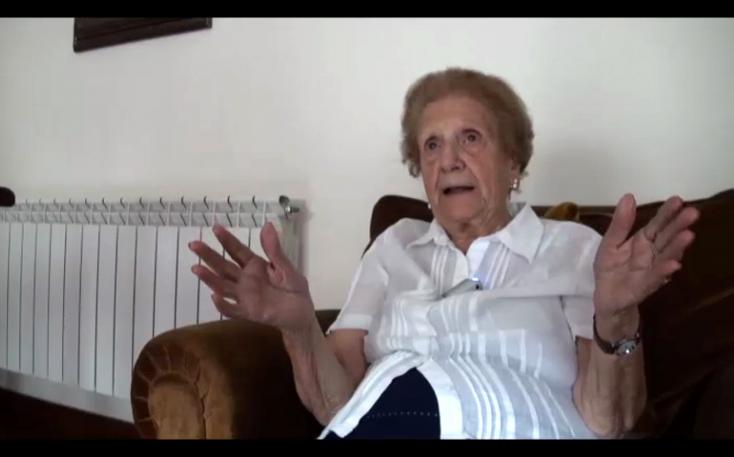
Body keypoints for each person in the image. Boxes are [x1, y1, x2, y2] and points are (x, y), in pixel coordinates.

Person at [188, 68, 699, 439]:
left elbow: (608, 422)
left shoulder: (572, 248)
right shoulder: (394, 247)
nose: (448, 159)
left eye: (470, 139)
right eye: (431, 145)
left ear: (513, 162)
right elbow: (337, 408)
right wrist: (299, 328)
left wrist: (616, 316)